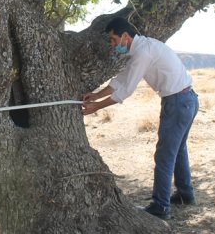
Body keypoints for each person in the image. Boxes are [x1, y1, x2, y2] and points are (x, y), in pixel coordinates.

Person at [81, 17, 199, 220]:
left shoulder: (143, 53)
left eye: (113, 39)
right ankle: (185, 195)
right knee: (178, 150)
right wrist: (96, 95)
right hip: (185, 100)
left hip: (178, 102)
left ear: (125, 36)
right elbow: (121, 80)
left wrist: (95, 107)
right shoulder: (142, 49)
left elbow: (125, 90)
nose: (113, 44)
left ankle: (161, 207)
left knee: (165, 155)